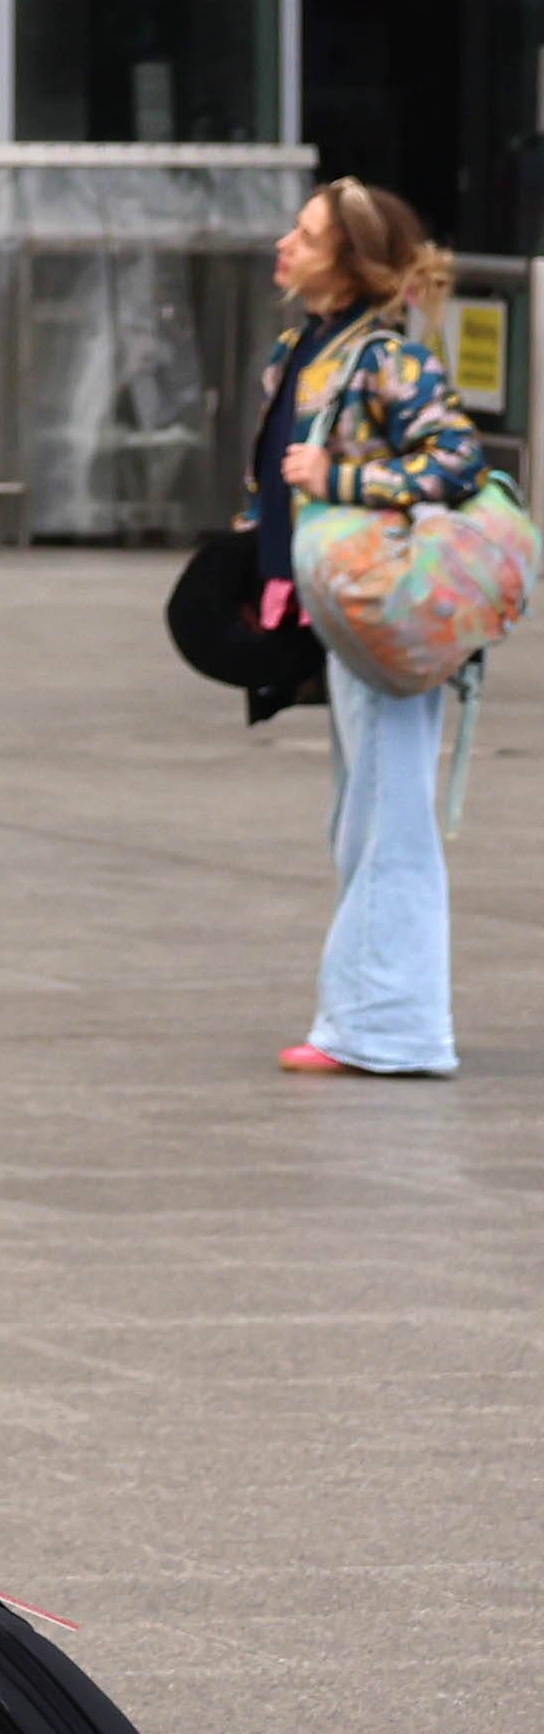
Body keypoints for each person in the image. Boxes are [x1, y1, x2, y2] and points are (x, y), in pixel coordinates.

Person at [254, 176, 474, 1081]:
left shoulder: (384, 356)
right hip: (338, 614)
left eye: (305, 236)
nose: (285, 244)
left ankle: (392, 1028)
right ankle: (368, 1015)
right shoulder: (306, 343)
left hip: (384, 616)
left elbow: (454, 458)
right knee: (364, 817)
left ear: (346, 266)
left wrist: (338, 480)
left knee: (389, 819)